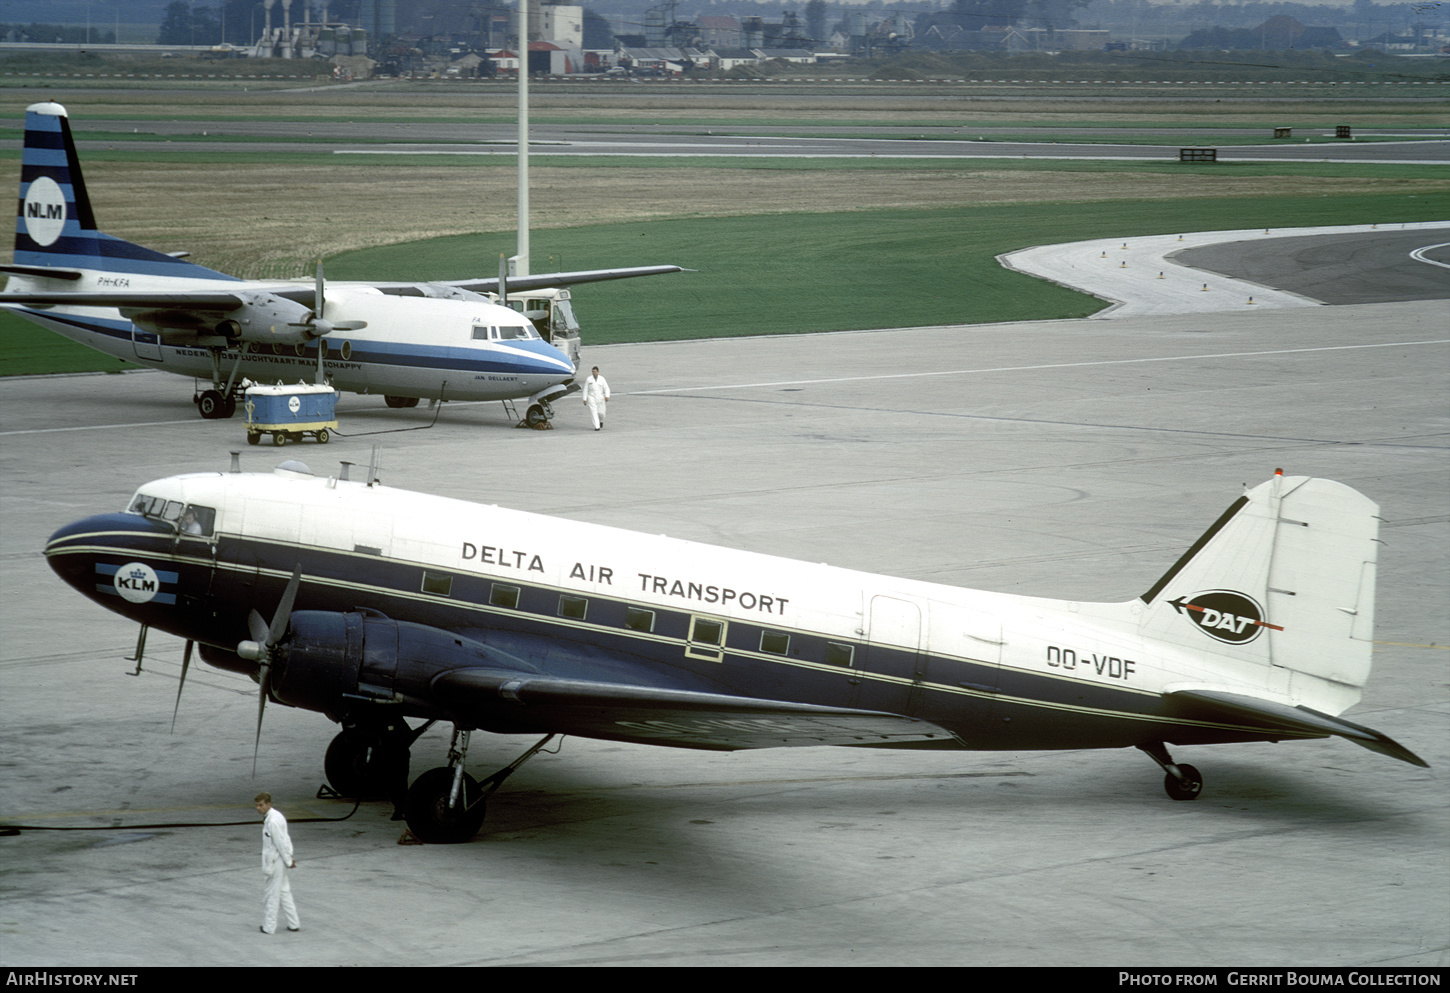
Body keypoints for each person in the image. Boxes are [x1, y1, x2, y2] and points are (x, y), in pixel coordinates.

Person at [254, 792, 300, 934]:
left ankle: (269, 927)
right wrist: (289, 858)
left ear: (269, 804)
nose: (258, 808)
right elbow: (286, 839)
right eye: (256, 805)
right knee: (284, 891)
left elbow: (280, 843)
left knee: (272, 895)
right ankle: (294, 923)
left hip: (276, 862)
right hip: (279, 859)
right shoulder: (277, 816)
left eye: (261, 805)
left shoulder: (272, 821)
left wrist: (287, 860)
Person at [582, 365, 610, 431]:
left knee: (601, 413)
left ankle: (601, 421)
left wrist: (607, 396)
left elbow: (606, 388)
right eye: (592, 372)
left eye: (595, 372)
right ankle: (597, 426)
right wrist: (584, 399)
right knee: (594, 412)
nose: (593, 373)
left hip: (600, 397)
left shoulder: (602, 379)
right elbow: (585, 389)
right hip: (591, 397)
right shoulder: (589, 379)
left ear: (598, 372)